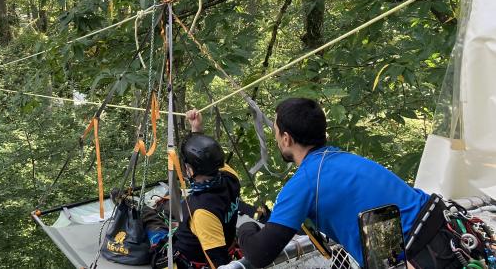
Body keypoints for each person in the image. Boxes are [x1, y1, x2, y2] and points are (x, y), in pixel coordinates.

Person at [236, 98, 463, 269]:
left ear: (286, 139)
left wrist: (245, 225)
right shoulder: (347, 159)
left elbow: (259, 255)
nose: (276, 139)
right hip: (445, 239)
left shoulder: (304, 182)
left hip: (420, 258)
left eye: (275, 133)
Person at [146, 109, 242, 269]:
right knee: (171, 210)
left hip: (190, 259)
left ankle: (145, 212)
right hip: (221, 238)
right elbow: (207, 156)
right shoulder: (230, 176)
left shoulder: (202, 210)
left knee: (151, 222)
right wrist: (196, 129)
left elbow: (219, 261)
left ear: (189, 170)